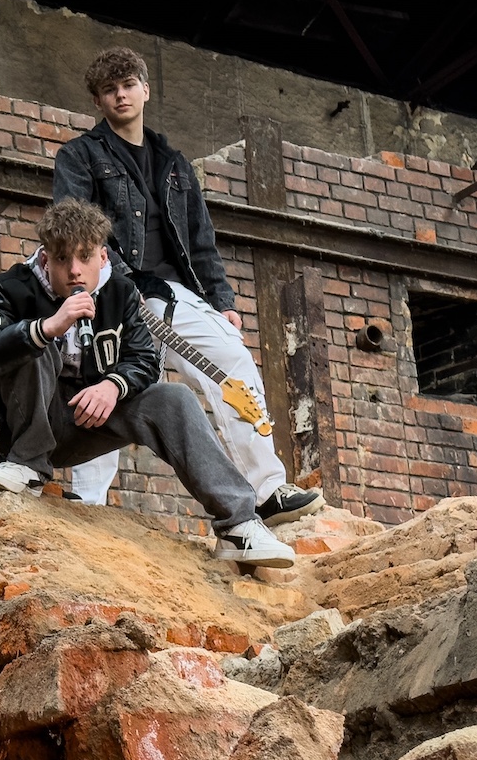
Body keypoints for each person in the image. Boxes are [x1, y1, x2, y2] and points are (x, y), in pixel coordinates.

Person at [53, 47, 323, 526]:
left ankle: (266, 491)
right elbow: (76, 230)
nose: (121, 95)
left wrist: (222, 301)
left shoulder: (174, 163)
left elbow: (201, 241)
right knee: (103, 377)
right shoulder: (79, 155)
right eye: (110, 90)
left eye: (129, 85)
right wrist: (118, 283)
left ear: (146, 90)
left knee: (234, 360)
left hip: (175, 295)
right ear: (98, 100)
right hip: (114, 294)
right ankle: (88, 505)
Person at [0, 199, 295, 569]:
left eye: (84, 257)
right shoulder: (11, 287)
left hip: (84, 423)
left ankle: (238, 524)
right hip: (22, 426)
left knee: (174, 397)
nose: (74, 271)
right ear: (45, 260)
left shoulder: (120, 292)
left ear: (102, 257)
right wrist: (46, 328)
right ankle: (28, 466)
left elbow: (144, 360)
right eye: (61, 259)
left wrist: (114, 385)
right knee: (34, 344)